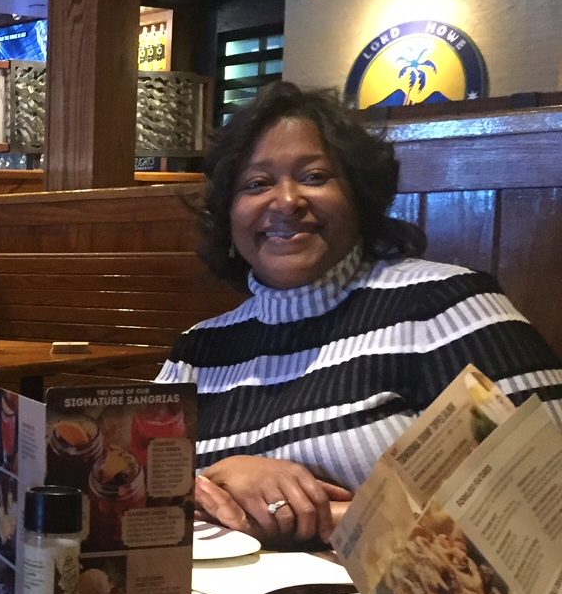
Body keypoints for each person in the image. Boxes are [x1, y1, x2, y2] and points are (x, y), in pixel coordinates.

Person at [156, 81, 562, 547]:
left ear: (358, 198)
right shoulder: (198, 350)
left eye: (314, 177)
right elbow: (141, 495)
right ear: (229, 217)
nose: (286, 201)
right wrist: (217, 478)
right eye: (257, 184)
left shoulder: (444, 304)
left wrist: (330, 519)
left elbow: (549, 488)